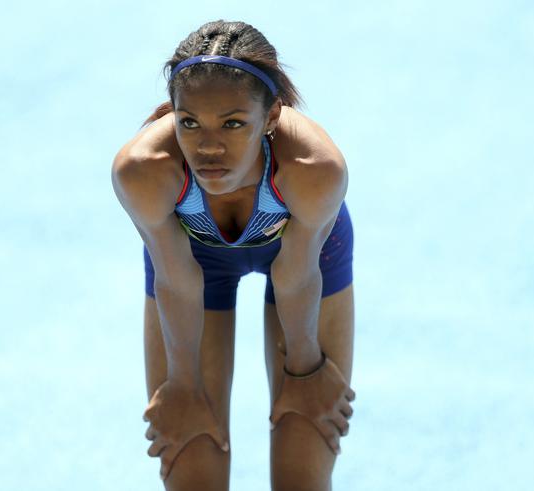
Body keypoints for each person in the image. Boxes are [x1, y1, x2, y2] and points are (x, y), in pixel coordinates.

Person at [111, 19, 356, 491]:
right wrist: (183, 385)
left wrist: (304, 369)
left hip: (307, 263)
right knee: (192, 462)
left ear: (271, 118)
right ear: (171, 114)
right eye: (189, 123)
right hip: (190, 266)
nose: (208, 146)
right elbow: (176, 278)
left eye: (233, 123)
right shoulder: (143, 171)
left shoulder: (314, 170)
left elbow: (298, 275)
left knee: (301, 466)